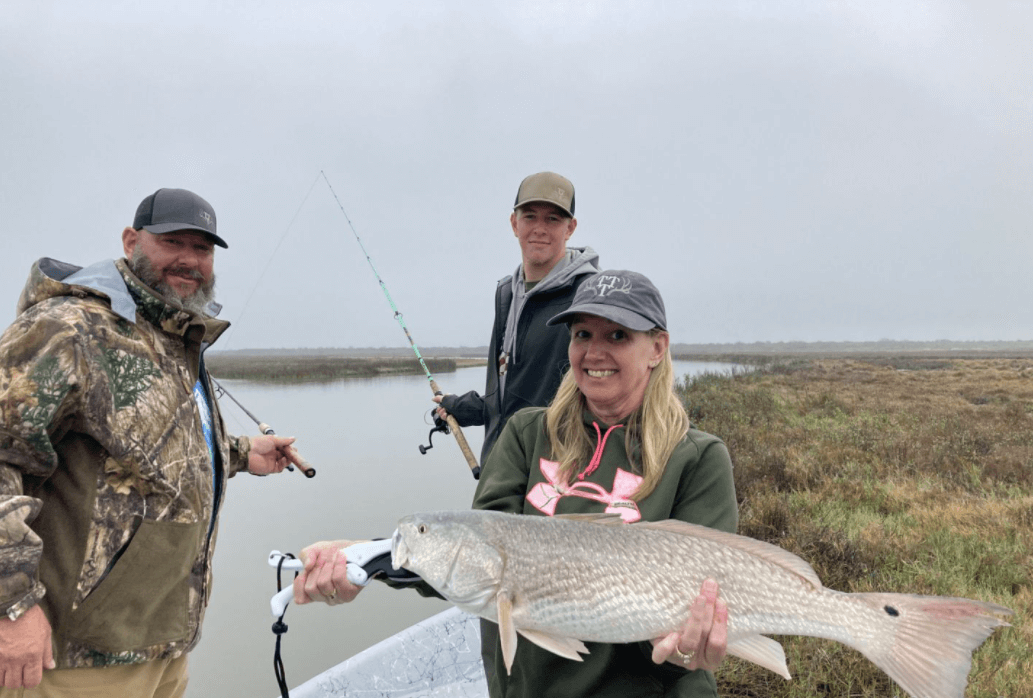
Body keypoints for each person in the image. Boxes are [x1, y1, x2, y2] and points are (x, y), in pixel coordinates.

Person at [295, 269, 739, 698]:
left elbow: (695, 618)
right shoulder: (528, 434)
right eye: (582, 334)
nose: (594, 352)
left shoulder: (697, 459)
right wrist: (366, 558)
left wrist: (684, 651)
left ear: (657, 348)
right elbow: (477, 560)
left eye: (617, 335)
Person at [0, 188, 304, 696]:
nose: (189, 260)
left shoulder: (173, 335)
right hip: (74, 658)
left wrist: (237, 453)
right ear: (131, 241)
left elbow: (147, 450)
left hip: (161, 645)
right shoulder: (69, 328)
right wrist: (12, 606)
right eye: (173, 242)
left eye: (202, 248)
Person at [432, 171, 600, 466]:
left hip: (557, 472)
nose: (540, 228)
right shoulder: (506, 293)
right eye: (530, 216)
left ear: (570, 228)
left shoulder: (590, 294)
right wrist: (460, 407)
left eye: (553, 219)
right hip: (500, 469)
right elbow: (511, 392)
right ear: (514, 223)